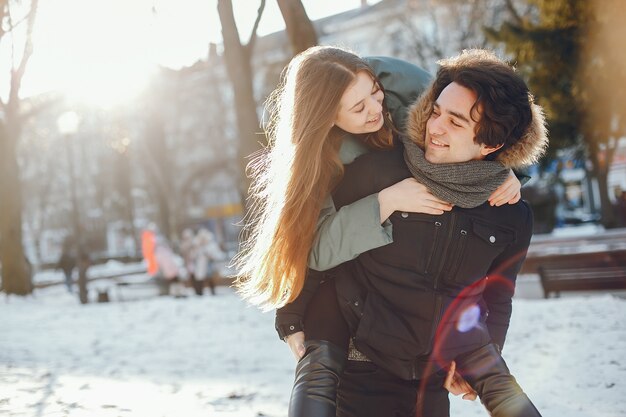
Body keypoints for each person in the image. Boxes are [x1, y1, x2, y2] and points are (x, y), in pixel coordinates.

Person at [234, 46, 529, 417]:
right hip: (361, 336)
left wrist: (502, 171)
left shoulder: (415, 100)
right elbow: (309, 245)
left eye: (375, 94)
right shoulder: (332, 165)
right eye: (358, 109)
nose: (375, 110)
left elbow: (478, 131)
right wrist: (385, 201)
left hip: (424, 354)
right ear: (327, 119)